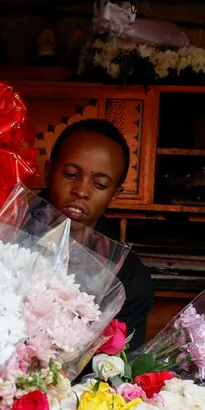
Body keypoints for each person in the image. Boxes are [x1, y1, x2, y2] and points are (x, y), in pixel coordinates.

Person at [44, 119, 155, 348]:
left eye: (100, 185)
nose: (81, 191)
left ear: (114, 195)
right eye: (71, 175)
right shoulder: (3, 235)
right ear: (48, 172)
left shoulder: (126, 279)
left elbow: (119, 367)